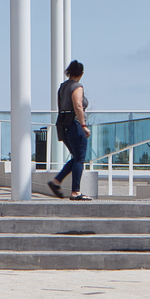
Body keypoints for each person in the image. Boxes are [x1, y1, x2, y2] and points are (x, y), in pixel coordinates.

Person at [45, 61, 91, 200]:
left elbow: (60, 106)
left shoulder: (62, 87)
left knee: (76, 157)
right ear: (81, 74)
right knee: (80, 158)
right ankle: (75, 191)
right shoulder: (77, 87)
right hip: (74, 124)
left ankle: (56, 182)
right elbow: (77, 105)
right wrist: (83, 125)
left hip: (63, 124)